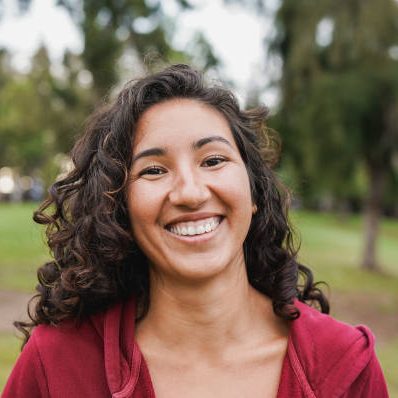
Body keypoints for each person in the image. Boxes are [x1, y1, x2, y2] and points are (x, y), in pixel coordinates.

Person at [3, 64, 388, 398]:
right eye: (153, 169)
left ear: (253, 190)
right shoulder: (57, 366)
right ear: (118, 208)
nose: (190, 192)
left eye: (214, 160)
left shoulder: (346, 365)